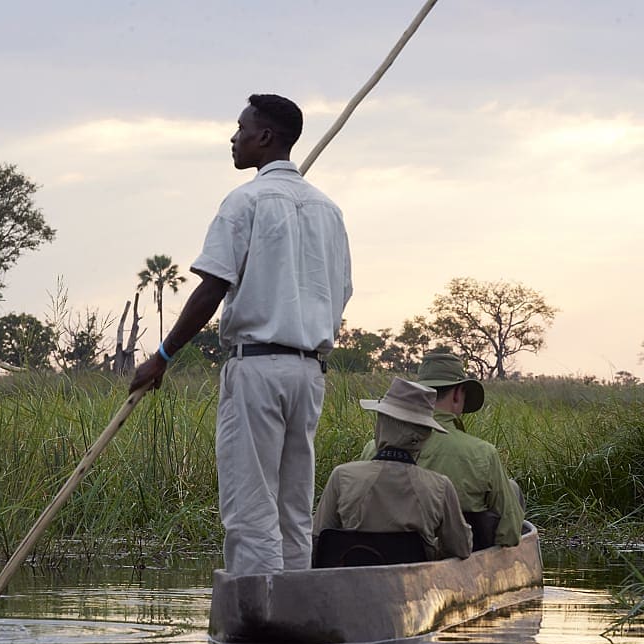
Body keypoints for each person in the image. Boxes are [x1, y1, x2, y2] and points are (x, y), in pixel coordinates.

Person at [129, 93, 352, 575]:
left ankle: (261, 619)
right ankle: (297, 606)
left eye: (241, 128)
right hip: (310, 372)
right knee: (294, 507)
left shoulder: (245, 201)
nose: (234, 138)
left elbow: (212, 288)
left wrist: (162, 356)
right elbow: (342, 293)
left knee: (252, 506)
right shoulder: (328, 210)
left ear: (265, 137)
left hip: (257, 369)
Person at [360, 350, 524, 548]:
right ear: (457, 394)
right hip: (459, 552)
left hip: (378, 550)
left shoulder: (372, 449)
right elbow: (511, 532)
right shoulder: (483, 453)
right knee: (512, 489)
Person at [314, 377, 473, 561]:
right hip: (413, 586)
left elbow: (318, 540)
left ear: (382, 425)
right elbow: (462, 548)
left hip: (351, 584)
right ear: (425, 434)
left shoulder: (342, 477)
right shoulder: (439, 488)